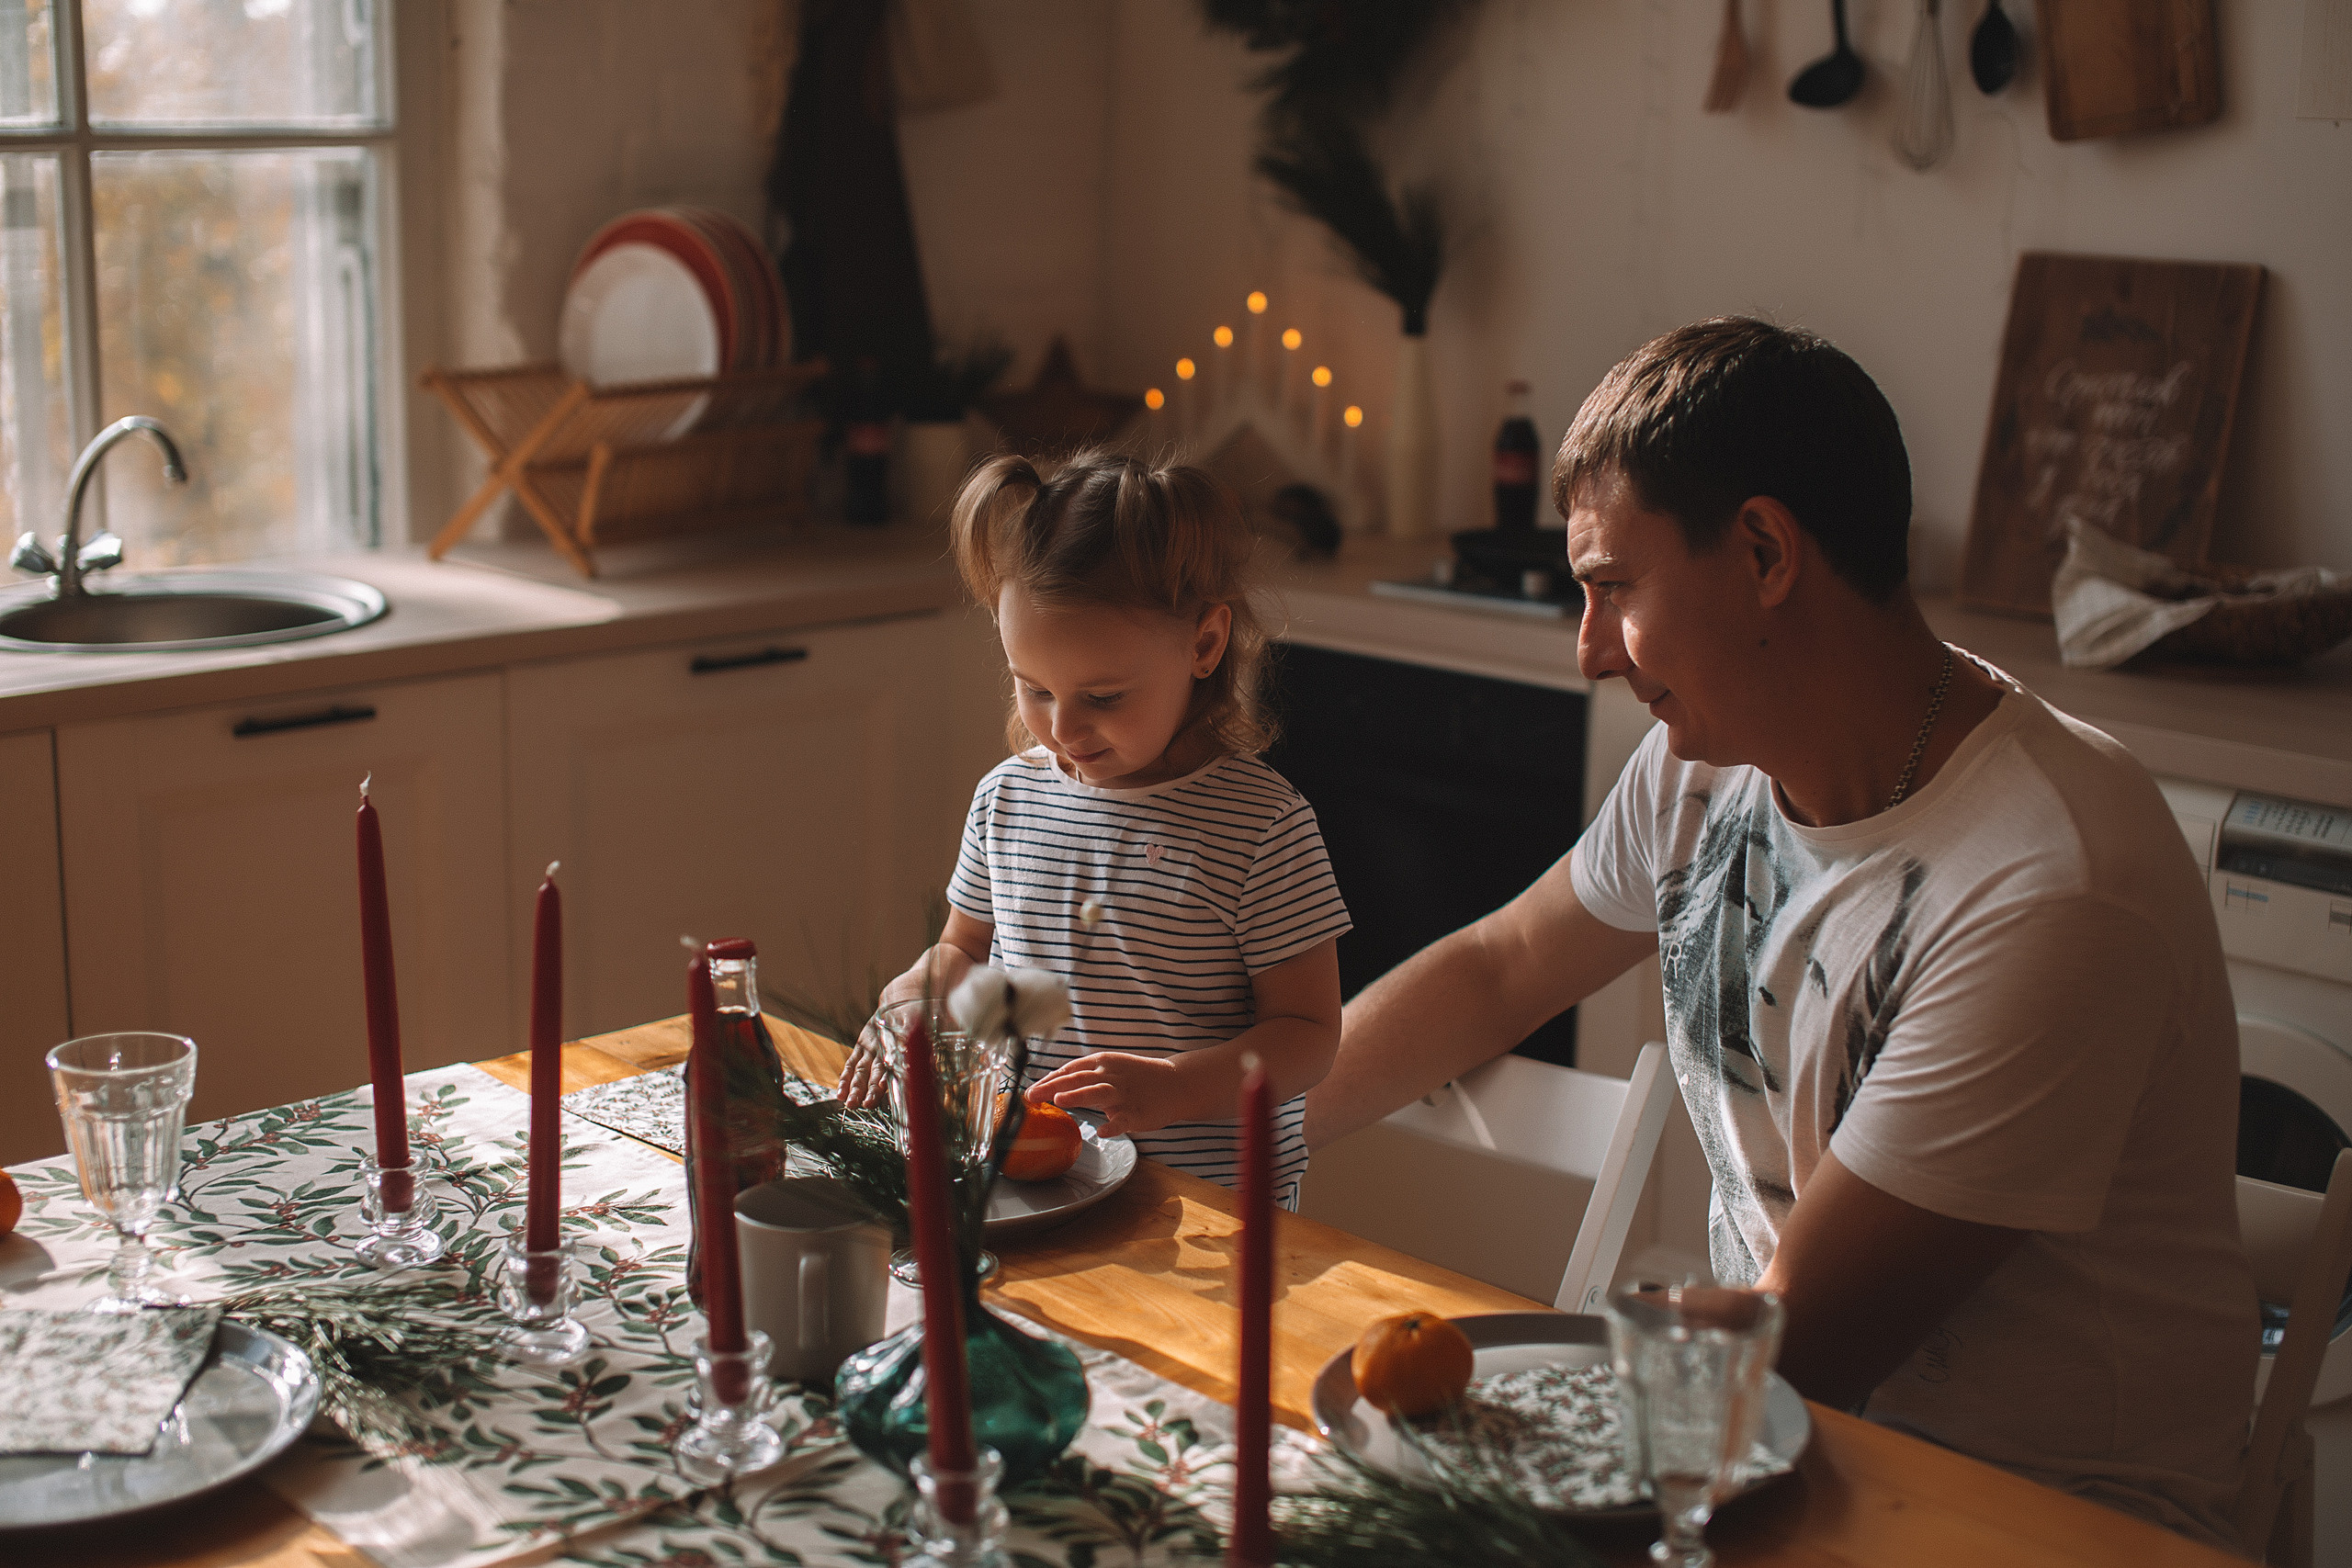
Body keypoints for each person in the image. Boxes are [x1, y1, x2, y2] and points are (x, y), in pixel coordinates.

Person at [1304, 319, 2256, 1546]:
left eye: (1612, 588)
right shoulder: (1704, 768)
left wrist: (1469, 1413)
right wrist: (1235, 1125)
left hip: (2039, 1516)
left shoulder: (2047, 883)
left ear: (1761, 551)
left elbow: (1803, 1340)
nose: (1591, 650)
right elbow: (1500, 969)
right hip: (1778, 1439)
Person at [842, 449, 1349, 1208]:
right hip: (1033, 1184)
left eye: (1103, 696)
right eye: (1034, 687)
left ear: (1205, 645)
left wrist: (1179, 1086)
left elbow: (1308, 1033)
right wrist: (914, 996)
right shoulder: (1005, 800)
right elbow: (963, 949)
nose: (1062, 726)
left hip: (1206, 1214)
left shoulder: (1261, 827)